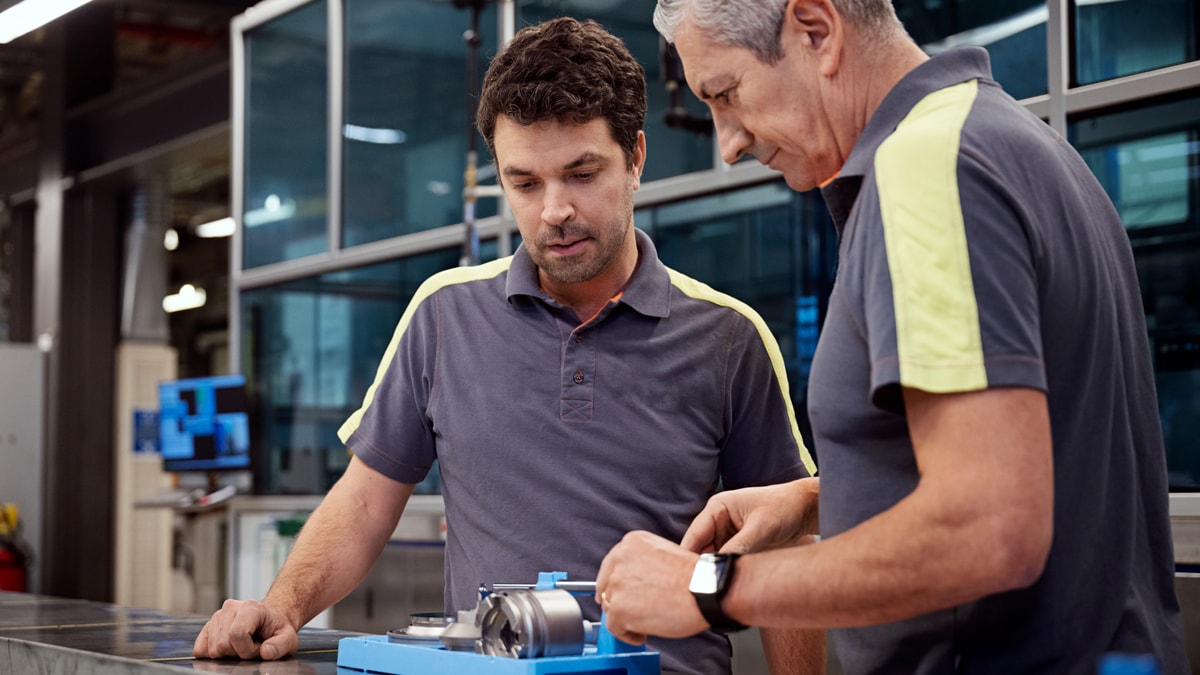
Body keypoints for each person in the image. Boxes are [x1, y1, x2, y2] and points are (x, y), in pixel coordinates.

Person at [192, 16, 822, 675]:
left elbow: (781, 544)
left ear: (636, 157)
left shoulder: (728, 336)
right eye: (525, 183)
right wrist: (283, 606)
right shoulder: (444, 314)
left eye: (581, 173)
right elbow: (363, 502)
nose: (554, 210)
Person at [596, 1, 1191, 673]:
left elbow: (989, 529)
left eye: (726, 95)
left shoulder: (924, 170)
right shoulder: (1031, 150)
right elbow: (1050, 455)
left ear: (816, 30)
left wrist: (709, 589)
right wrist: (823, 499)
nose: (729, 144)